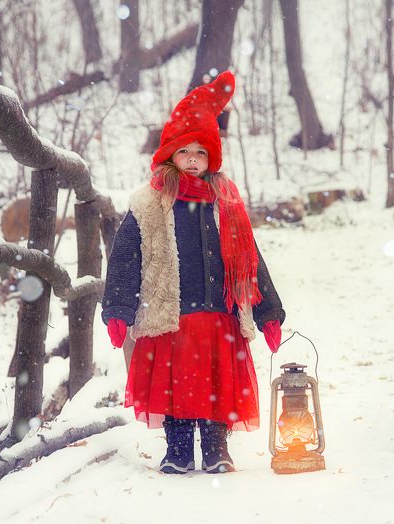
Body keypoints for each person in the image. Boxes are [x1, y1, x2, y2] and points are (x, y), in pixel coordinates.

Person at [101, 71, 285, 474]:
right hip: (170, 314)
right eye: (185, 152)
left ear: (211, 159)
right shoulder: (150, 202)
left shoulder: (225, 202)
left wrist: (269, 311)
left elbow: (250, 259)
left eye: (201, 153)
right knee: (175, 389)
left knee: (216, 386)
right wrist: (118, 307)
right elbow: (126, 256)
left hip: (219, 313)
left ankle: (216, 448)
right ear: (170, 155)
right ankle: (179, 450)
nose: (193, 160)